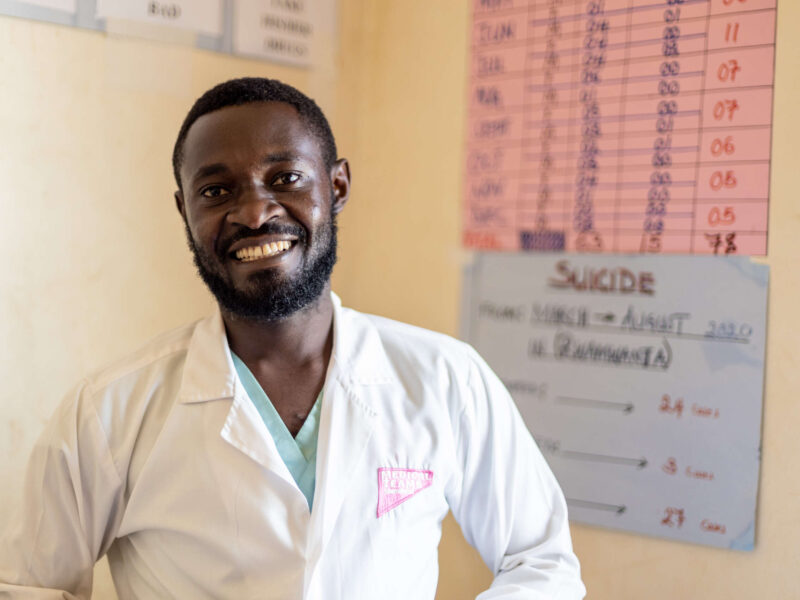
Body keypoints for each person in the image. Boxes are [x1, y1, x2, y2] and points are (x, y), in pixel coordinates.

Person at [0, 78, 585, 599]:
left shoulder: (445, 377)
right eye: (216, 191)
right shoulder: (108, 412)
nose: (254, 212)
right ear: (185, 212)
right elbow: (24, 586)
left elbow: (542, 562)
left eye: (285, 178)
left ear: (336, 186)